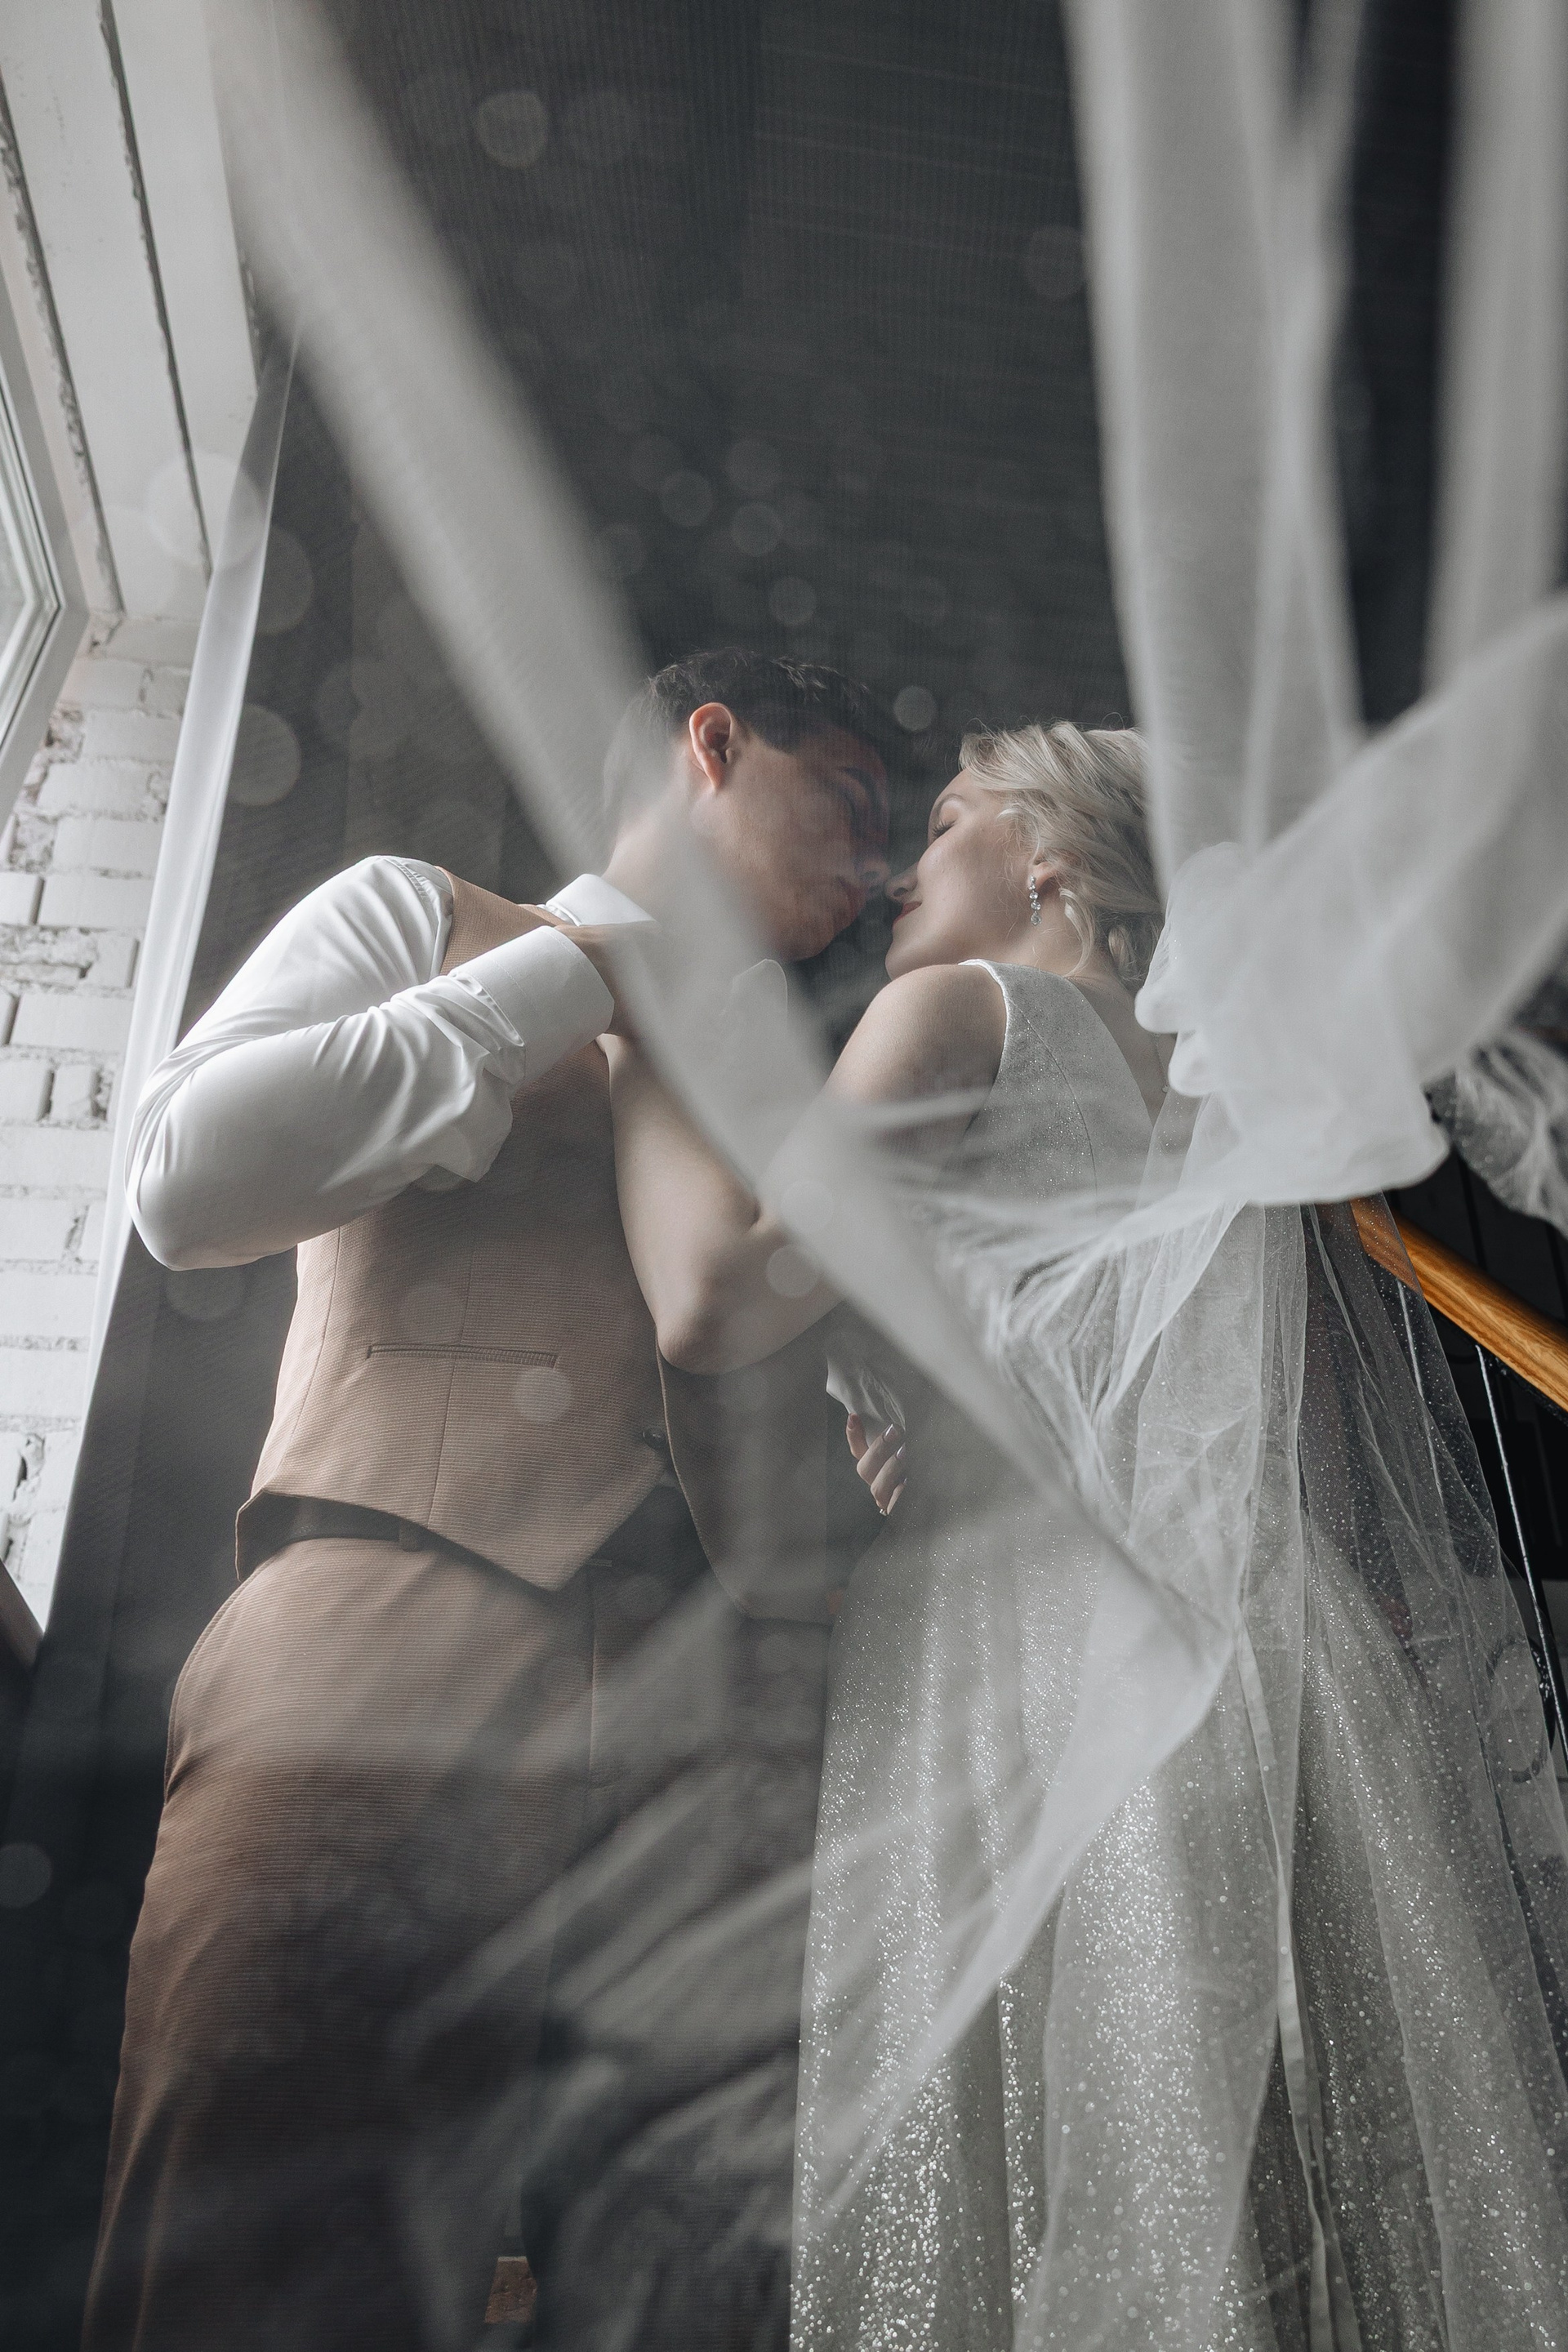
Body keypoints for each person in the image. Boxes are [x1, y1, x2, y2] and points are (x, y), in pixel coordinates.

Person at [605, 719, 1568, 2349]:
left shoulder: (959, 1010)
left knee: (1034, 2156)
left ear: (1048, 862)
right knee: (1244, 2162)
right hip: (1252, 1649)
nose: (905, 868)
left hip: (1014, 1647)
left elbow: (724, 1301)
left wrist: (645, 1061)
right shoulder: (1220, 1097)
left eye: (952, 820)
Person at [82, 650, 892, 2352]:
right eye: (844, 804)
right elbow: (183, 1180)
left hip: (708, 1761)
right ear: (712, 745)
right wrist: (579, 975)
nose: (871, 869)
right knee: (247, 2245)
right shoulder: (419, 912)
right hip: (378, 1657)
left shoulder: (781, 1103)